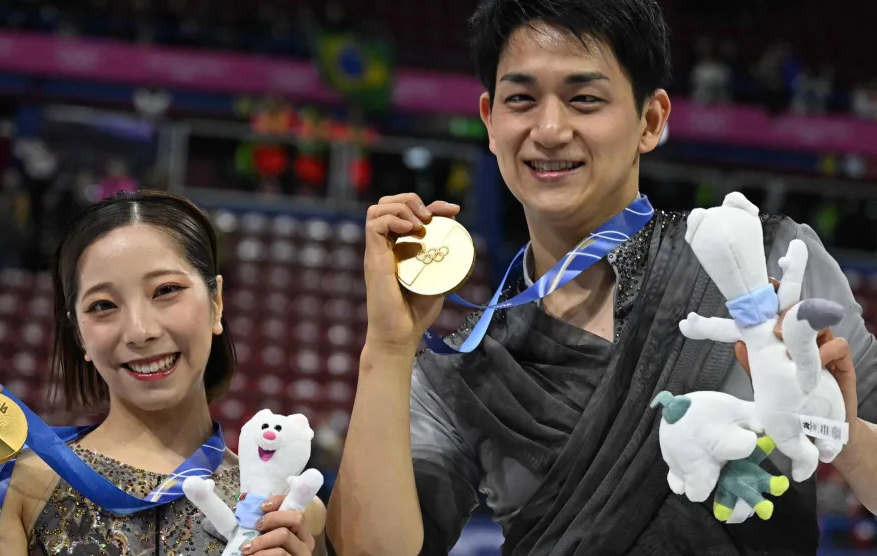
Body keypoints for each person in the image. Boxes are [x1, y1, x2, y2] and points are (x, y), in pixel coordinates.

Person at [327, 1, 877, 555]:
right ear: (490, 122)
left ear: (651, 121)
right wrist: (388, 348)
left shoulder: (769, 261)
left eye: (584, 99)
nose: (549, 129)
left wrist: (841, 433)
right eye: (522, 99)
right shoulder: (465, 369)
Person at [0, 190, 327, 556]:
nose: (140, 331)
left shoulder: (287, 506)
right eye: (103, 306)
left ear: (217, 302)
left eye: (166, 290)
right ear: (78, 334)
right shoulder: (29, 484)